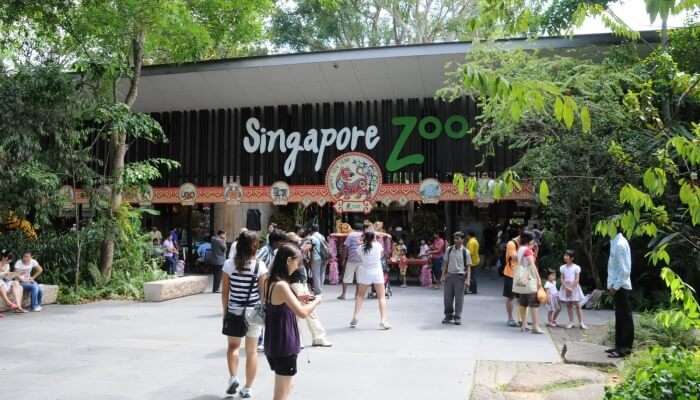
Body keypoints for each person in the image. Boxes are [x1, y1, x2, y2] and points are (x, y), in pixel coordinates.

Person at [264, 243, 322, 400]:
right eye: (297, 262)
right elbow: (302, 313)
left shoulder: (269, 281)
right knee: (281, 393)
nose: (297, 266)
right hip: (284, 344)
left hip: (273, 342)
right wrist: (316, 301)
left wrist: (297, 298)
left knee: (287, 386)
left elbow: (277, 302)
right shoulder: (282, 285)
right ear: (289, 260)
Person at [221, 231, 268, 398]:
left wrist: (225, 312)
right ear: (255, 246)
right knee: (252, 351)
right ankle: (247, 388)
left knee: (233, 347)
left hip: (234, 309)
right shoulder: (260, 266)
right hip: (254, 312)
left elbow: (225, 292)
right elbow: (263, 294)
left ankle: (234, 377)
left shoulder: (228, 264)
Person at [286, 232, 332, 347]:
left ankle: (314, 337)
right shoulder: (291, 253)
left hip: (300, 283)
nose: (300, 244)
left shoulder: (295, 252)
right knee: (303, 311)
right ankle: (310, 338)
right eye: (297, 242)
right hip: (296, 283)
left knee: (305, 311)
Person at [350, 230, 392, 330]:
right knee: (381, 297)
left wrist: (362, 241)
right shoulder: (378, 246)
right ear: (374, 237)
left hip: (365, 272)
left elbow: (360, 250)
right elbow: (381, 255)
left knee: (360, 296)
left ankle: (355, 317)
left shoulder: (360, 248)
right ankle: (383, 320)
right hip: (377, 272)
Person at [606, 232, 633, 359]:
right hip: (617, 286)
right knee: (619, 317)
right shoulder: (614, 241)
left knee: (625, 318)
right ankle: (618, 346)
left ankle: (625, 349)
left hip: (621, 287)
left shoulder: (620, 244)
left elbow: (625, 270)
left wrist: (615, 287)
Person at [511, 231, 544, 334]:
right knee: (534, 303)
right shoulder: (528, 250)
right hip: (529, 278)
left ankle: (523, 325)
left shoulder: (520, 249)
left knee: (523, 302)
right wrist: (538, 279)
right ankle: (535, 326)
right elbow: (532, 265)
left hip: (522, 278)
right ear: (530, 240)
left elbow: (517, 260)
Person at [440, 232, 472, 325]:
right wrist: (443, 275)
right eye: (455, 238)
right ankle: (448, 315)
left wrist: (468, 279)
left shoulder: (465, 252)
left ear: (462, 240)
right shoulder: (449, 250)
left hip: (460, 277)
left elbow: (469, 266)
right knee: (447, 298)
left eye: (458, 239)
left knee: (459, 299)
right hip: (449, 276)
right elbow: (445, 263)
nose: (456, 240)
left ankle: (457, 317)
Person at [558, 250, 587, 329]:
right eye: (565, 255)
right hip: (565, 287)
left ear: (572, 258)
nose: (565, 257)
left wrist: (571, 288)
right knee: (569, 305)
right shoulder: (562, 267)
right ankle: (571, 322)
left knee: (577, 305)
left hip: (574, 287)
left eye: (567, 256)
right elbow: (562, 278)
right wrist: (566, 287)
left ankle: (581, 322)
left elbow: (577, 279)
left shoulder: (576, 267)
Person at [338, 223, 363, 300]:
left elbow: (346, 247)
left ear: (353, 228)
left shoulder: (351, 235)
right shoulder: (364, 235)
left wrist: (344, 258)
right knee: (360, 279)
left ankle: (343, 295)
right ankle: (357, 295)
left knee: (346, 278)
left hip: (351, 259)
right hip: (361, 260)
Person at [503, 228, 521, 327]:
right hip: (511, 273)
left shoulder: (527, 245)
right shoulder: (511, 244)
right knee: (510, 297)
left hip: (522, 275)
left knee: (522, 298)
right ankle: (510, 318)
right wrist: (527, 250)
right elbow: (515, 257)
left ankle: (521, 318)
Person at [0, 250, 26, 314]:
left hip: (5, 281)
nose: (9, 261)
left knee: (17, 284)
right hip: (1, 282)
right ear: (4, 258)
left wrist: (16, 274)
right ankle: (8, 303)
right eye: (8, 259)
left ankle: (18, 307)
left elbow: (7, 278)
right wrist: (5, 274)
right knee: (0, 282)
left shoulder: (7, 265)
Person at [308, 224, 328, 295]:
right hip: (324, 257)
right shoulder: (322, 236)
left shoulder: (312, 237)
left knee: (316, 274)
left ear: (311, 230)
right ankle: (320, 288)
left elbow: (310, 248)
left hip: (316, 257)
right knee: (322, 273)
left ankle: (318, 291)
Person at [465, 230, 480, 295]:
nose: (466, 236)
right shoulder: (475, 241)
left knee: (471, 276)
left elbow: (470, 253)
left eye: (467, 235)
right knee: (472, 275)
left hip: (472, 261)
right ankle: (473, 289)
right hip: (475, 260)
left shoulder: (471, 242)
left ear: (469, 235)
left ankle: (473, 290)